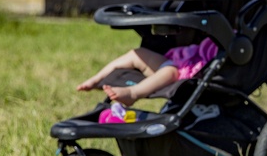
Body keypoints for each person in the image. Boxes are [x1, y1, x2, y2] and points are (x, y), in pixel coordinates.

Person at [77, 37, 217, 106]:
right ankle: (97, 79)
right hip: (179, 58)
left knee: (170, 72)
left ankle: (132, 93)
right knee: (136, 54)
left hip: (185, 72)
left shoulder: (232, 41)